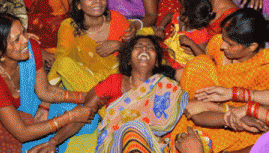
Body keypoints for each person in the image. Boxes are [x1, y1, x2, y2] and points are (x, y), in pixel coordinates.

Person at [33, 35, 188, 152]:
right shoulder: (114, 82)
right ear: (128, 60)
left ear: (156, 63)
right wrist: (54, 141)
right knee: (132, 130)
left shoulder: (166, 88)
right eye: (138, 47)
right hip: (116, 143)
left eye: (150, 48)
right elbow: (82, 115)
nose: (144, 49)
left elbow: (188, 110)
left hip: (156, 146)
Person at [170, 8, 269, 153]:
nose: (223, 45)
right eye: (224, 39)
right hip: (205, 101)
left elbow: (263, 112)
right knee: (199, 63)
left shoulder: (268, 64)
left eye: (230, 44)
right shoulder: (218, 43)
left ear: (252, 47)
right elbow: (204, 72)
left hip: (240, 120)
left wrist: (220, 109)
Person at [45, 0, 132, 152]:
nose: (97, 2)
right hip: (85, 82)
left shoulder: (117, 20)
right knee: (64, 64)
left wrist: (119, 45)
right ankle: (112, 117)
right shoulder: (68, 27)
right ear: (78, 4)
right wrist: (45, 103)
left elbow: (133, 55)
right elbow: (61, 62)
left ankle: (108, 116)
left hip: (114, 80)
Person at [0, 13, 97, 152]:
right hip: (13, 124)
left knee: (90, 118)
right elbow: (22, 133)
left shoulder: (31, 49)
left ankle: (53, 141)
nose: (25, 40)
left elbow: (44, 91)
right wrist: (69, 117)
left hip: (34, 107)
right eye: (16, 39)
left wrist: (85, 97)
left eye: (23, 32)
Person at [156, 0, 215, 69]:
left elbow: (204, 57)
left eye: (182, 13)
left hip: (181, 64)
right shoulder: (180, 18)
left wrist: (192, 44)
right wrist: (161, 28)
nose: (179, 14)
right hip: (169, 52)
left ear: (189, 18)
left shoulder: (200, 34)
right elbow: (170, 15)